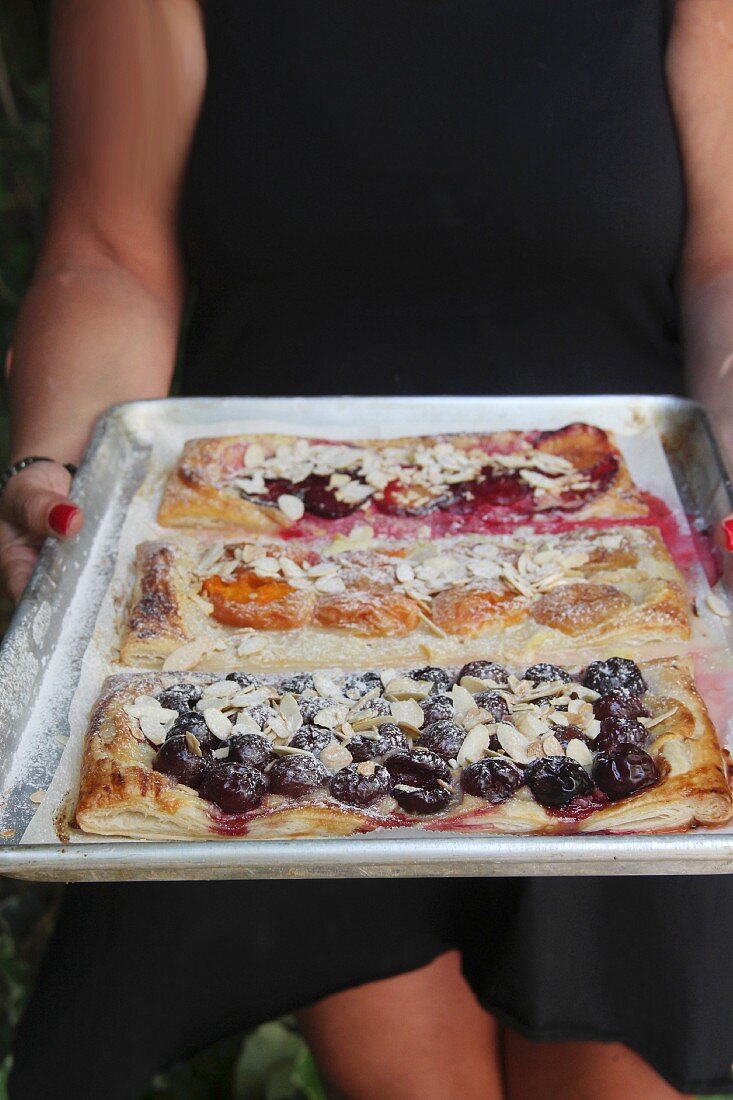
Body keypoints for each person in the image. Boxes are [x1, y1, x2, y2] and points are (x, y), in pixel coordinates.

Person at [3, 2, 733, 1097]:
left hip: (625, 596)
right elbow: (110, 250)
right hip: (258, 608)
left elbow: (726, 253)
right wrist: (66, 473)